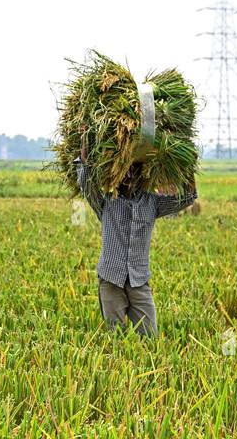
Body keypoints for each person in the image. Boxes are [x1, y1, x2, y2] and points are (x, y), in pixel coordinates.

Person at [76, 141, 196, 338]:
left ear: (143, 177)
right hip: (111, 279)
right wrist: (85, 139)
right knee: (114, 337)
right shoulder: (106, 202)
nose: (129, 177)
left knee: (150, 338)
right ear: (117, 174)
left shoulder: (152, 203)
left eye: (134, 172)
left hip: (139, 280)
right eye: (125, 172)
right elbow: (86, 178)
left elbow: (188, 197)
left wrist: (187, 164)